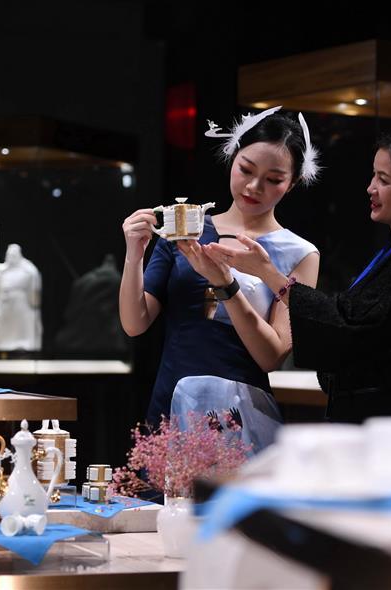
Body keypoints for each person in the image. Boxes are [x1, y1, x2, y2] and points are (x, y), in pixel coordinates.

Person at [208, 127, 391, 423]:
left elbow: (344, 326)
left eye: (384, 180)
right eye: (374, 175)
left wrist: (266, 273)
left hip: (385, 422)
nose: (371, 188)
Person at [119, 107, 320, 451]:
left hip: (244, 413)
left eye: (273, 180)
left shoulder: (298, 253)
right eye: (246, 169)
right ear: (232, 157)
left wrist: (227, 285)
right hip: (173, 400)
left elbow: (271, 356)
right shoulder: (186, 229)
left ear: (293, 183)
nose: (254, 186)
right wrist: (134, 254)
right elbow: (135, 323)